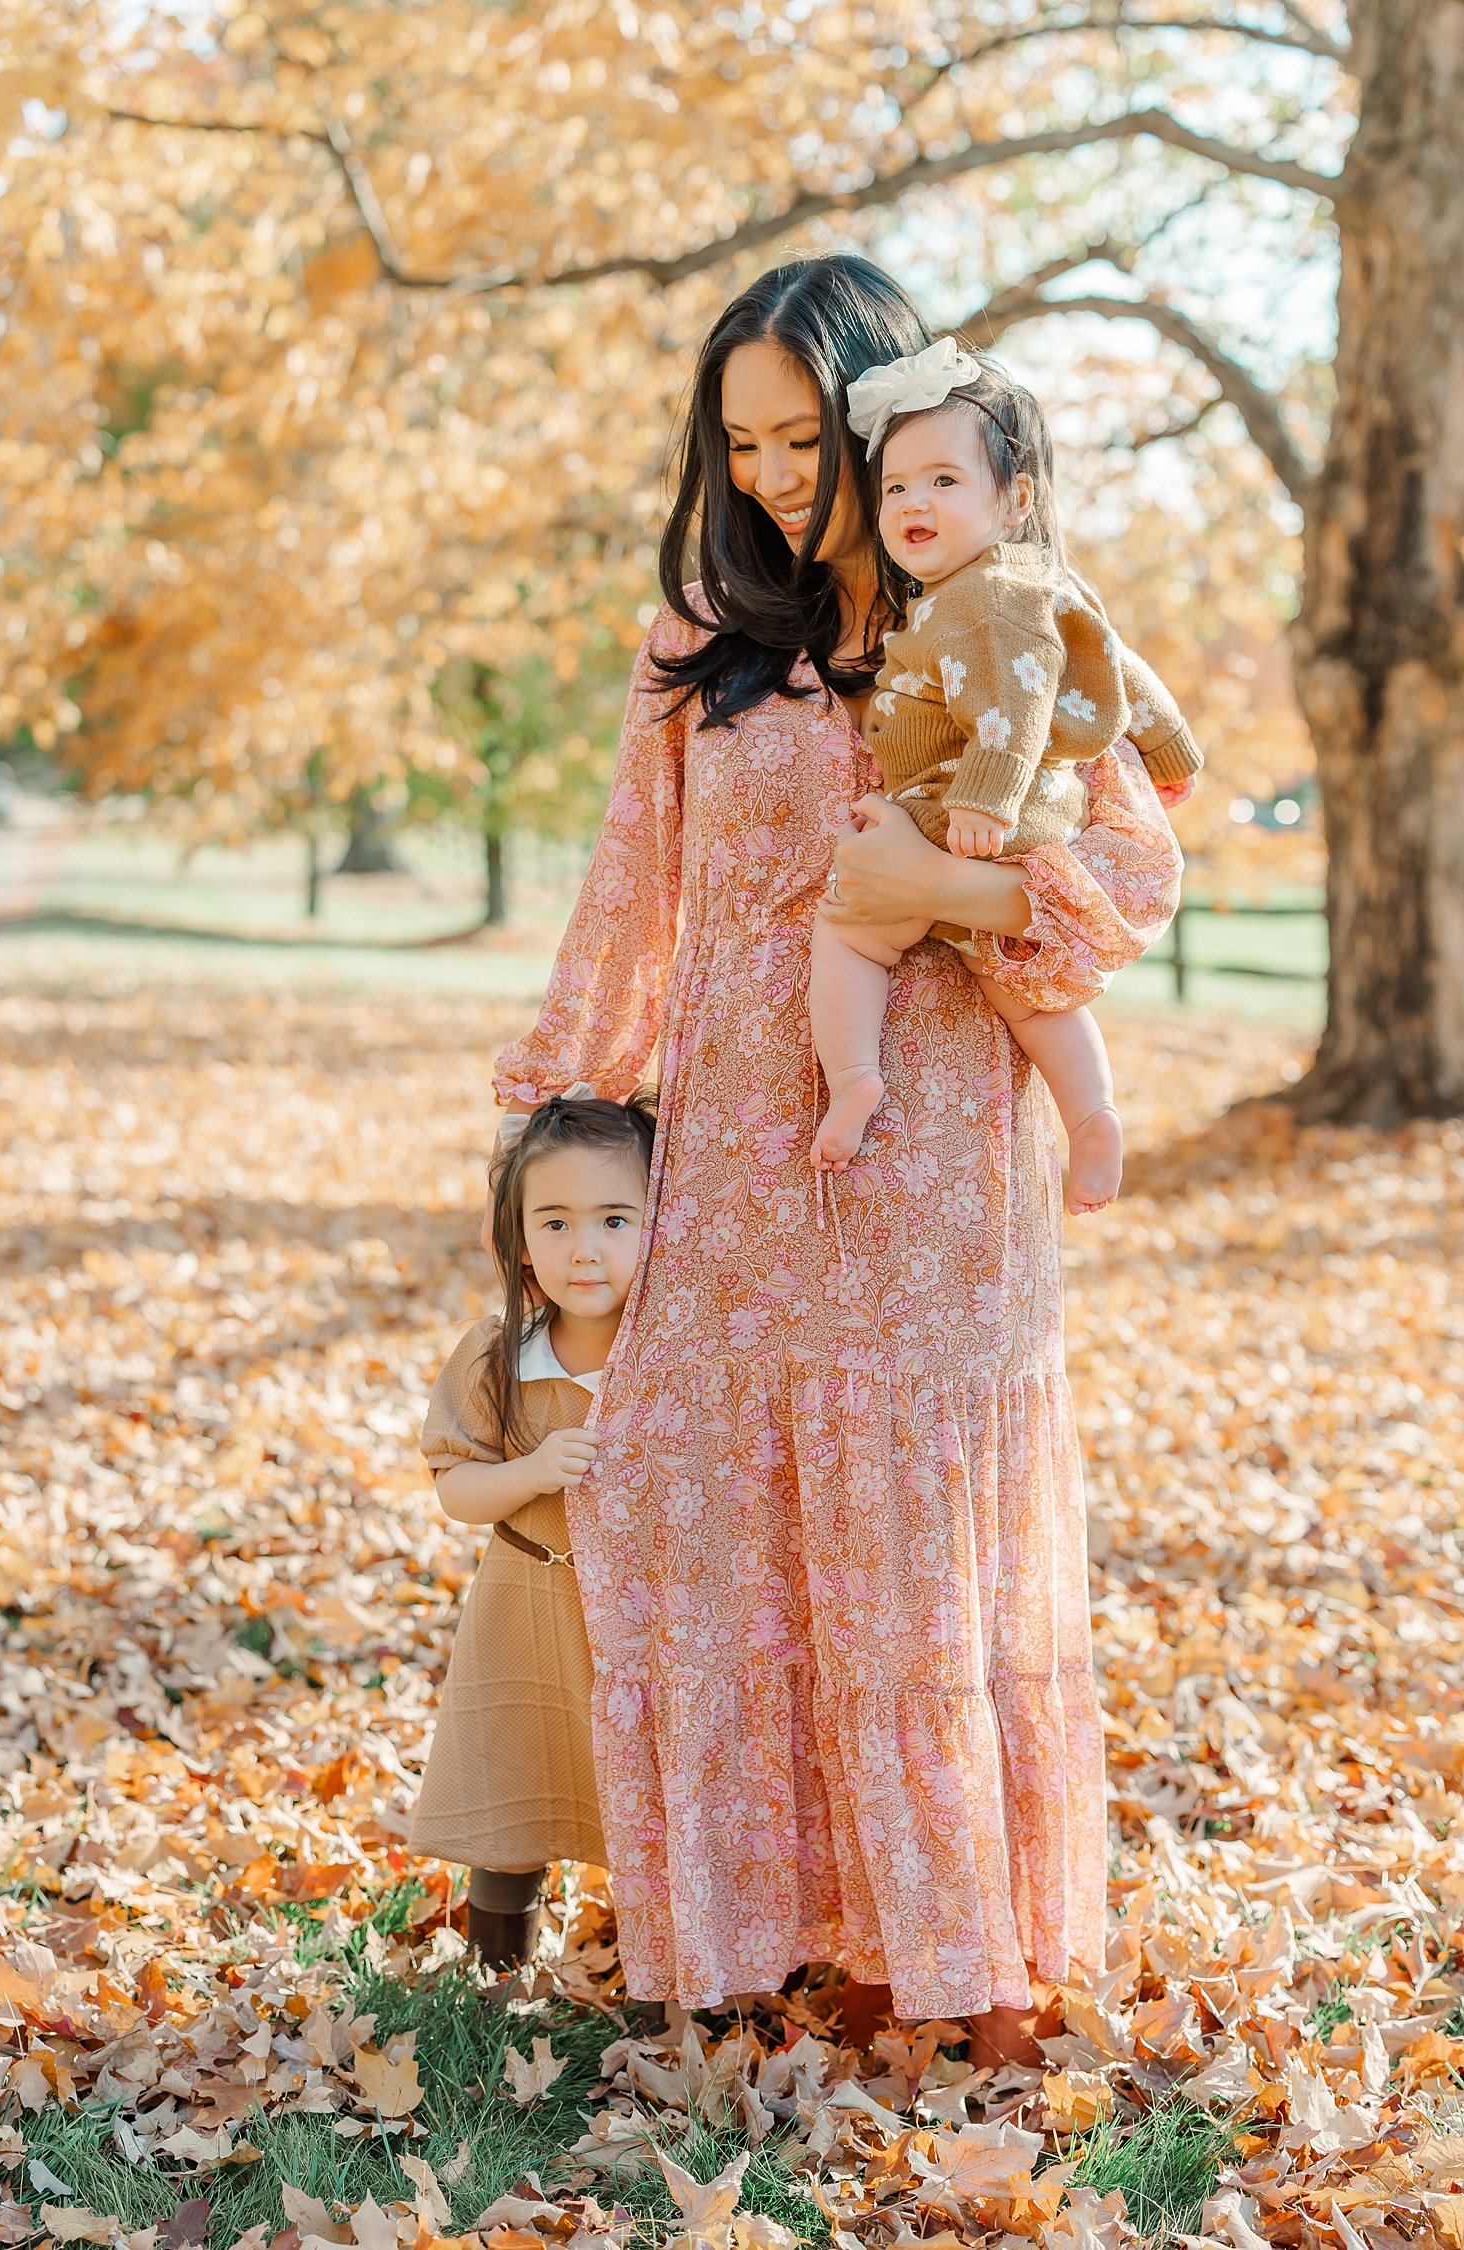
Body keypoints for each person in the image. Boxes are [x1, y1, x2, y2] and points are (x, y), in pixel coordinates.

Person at [493, 253, 1182, 2058]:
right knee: (694, 1504)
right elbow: (630, 903)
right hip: (732, 1144)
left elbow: (1136, 868)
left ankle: (952, 1944)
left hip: (937, 1147)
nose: (780, 472)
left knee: (919, 1545)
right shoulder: (692, 646)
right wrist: (565, 1103)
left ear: (889, 426)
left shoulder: (988, 610)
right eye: (746, 442)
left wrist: (961, 888)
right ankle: (769, 1914)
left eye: (810, 436)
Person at [808, 337, 1201, 1211]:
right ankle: (1091, 1114)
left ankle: (856, 1077)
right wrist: (1172, 753)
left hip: (964, 811)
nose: (915, 502)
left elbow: (1013, 708)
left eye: (945, 481)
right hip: (992, 820)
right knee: (1026, 994)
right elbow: (1120, 667)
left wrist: (985, 798)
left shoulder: (986, 598)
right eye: (898, 486)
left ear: (1016, 498)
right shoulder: (1032, 585)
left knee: (849, 933)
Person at [409, 1091, 655, 1970]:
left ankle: (670, 1969)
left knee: (640, 1784)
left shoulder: (672, 1360)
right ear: (516, 1237)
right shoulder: (499, 1354)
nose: (583, 1249)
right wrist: (530, 1472)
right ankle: (498, 1966)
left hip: (644, 1618)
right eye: (553, 1222)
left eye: (614, 1219)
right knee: (512, 1771)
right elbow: (456, 1486)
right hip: (525, 1598)